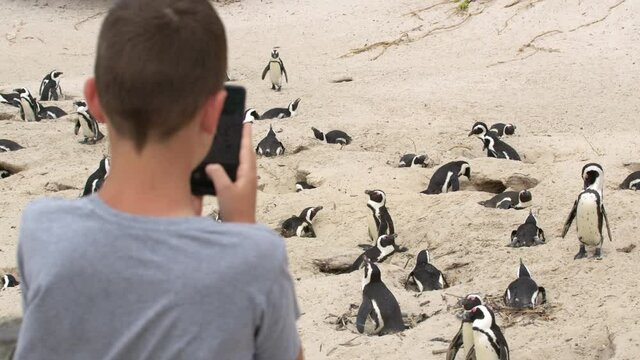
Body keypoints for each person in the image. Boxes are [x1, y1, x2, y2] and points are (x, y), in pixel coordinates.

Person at [15, 0, 303, 359]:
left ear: (94, 101)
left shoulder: (42, 228)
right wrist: (241, 228)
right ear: (216, 113)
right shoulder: (255, 256)